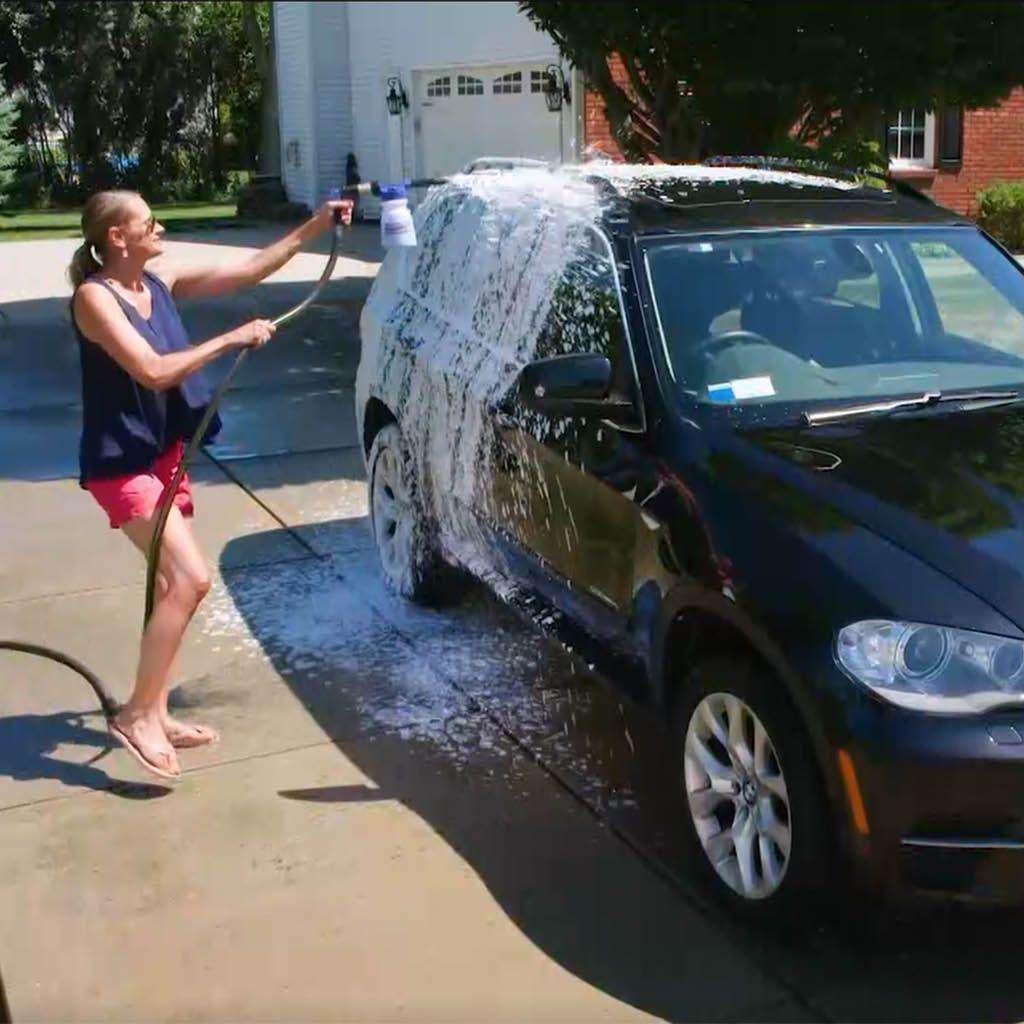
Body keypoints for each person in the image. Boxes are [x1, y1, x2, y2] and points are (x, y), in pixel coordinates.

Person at [69, 190, 352, 780]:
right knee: (190, 581)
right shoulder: (95, 298)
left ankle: (156, 710)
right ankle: (137, 716)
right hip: (122, 463)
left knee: (168, 585)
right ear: (117, 238)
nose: (159, 227)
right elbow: (151, 370)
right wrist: (229, 340)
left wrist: (317, 225)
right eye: (148, 222)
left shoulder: (160, 280)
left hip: (163, 453)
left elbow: (250, 269)